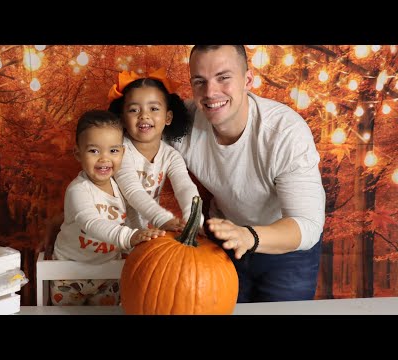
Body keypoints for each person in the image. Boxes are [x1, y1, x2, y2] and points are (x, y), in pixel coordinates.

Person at [169, 45, 326, 303]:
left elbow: (307, 225)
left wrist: (249, 236)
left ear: (248, 80)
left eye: (223, 78)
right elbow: (130, 130)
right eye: (200, 81)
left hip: (288, 247)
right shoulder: (180, 123)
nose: (210, 93)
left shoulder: (284, 132)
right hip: (226, 239)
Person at [51, 110, 165, 306]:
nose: (104, 158)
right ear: (78, 154)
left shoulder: (120, 187)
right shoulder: (78, 190)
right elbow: (91, 222)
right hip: (70, 273)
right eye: (94, 151)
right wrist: (129, 237)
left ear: (122, 152)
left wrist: (141, 237)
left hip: (107, 272)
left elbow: (129, 217)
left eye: (113, 151)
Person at [108, 68, 203, 232]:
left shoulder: (171, 156)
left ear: (168, 118)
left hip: (140, 233)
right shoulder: (119, 150)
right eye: (134, 110)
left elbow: (185, 187)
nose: (144, 116)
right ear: (122, 119)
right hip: (108, 228)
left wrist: (194, 220)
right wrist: (162, 219)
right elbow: (132, 191)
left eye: (153, 109)